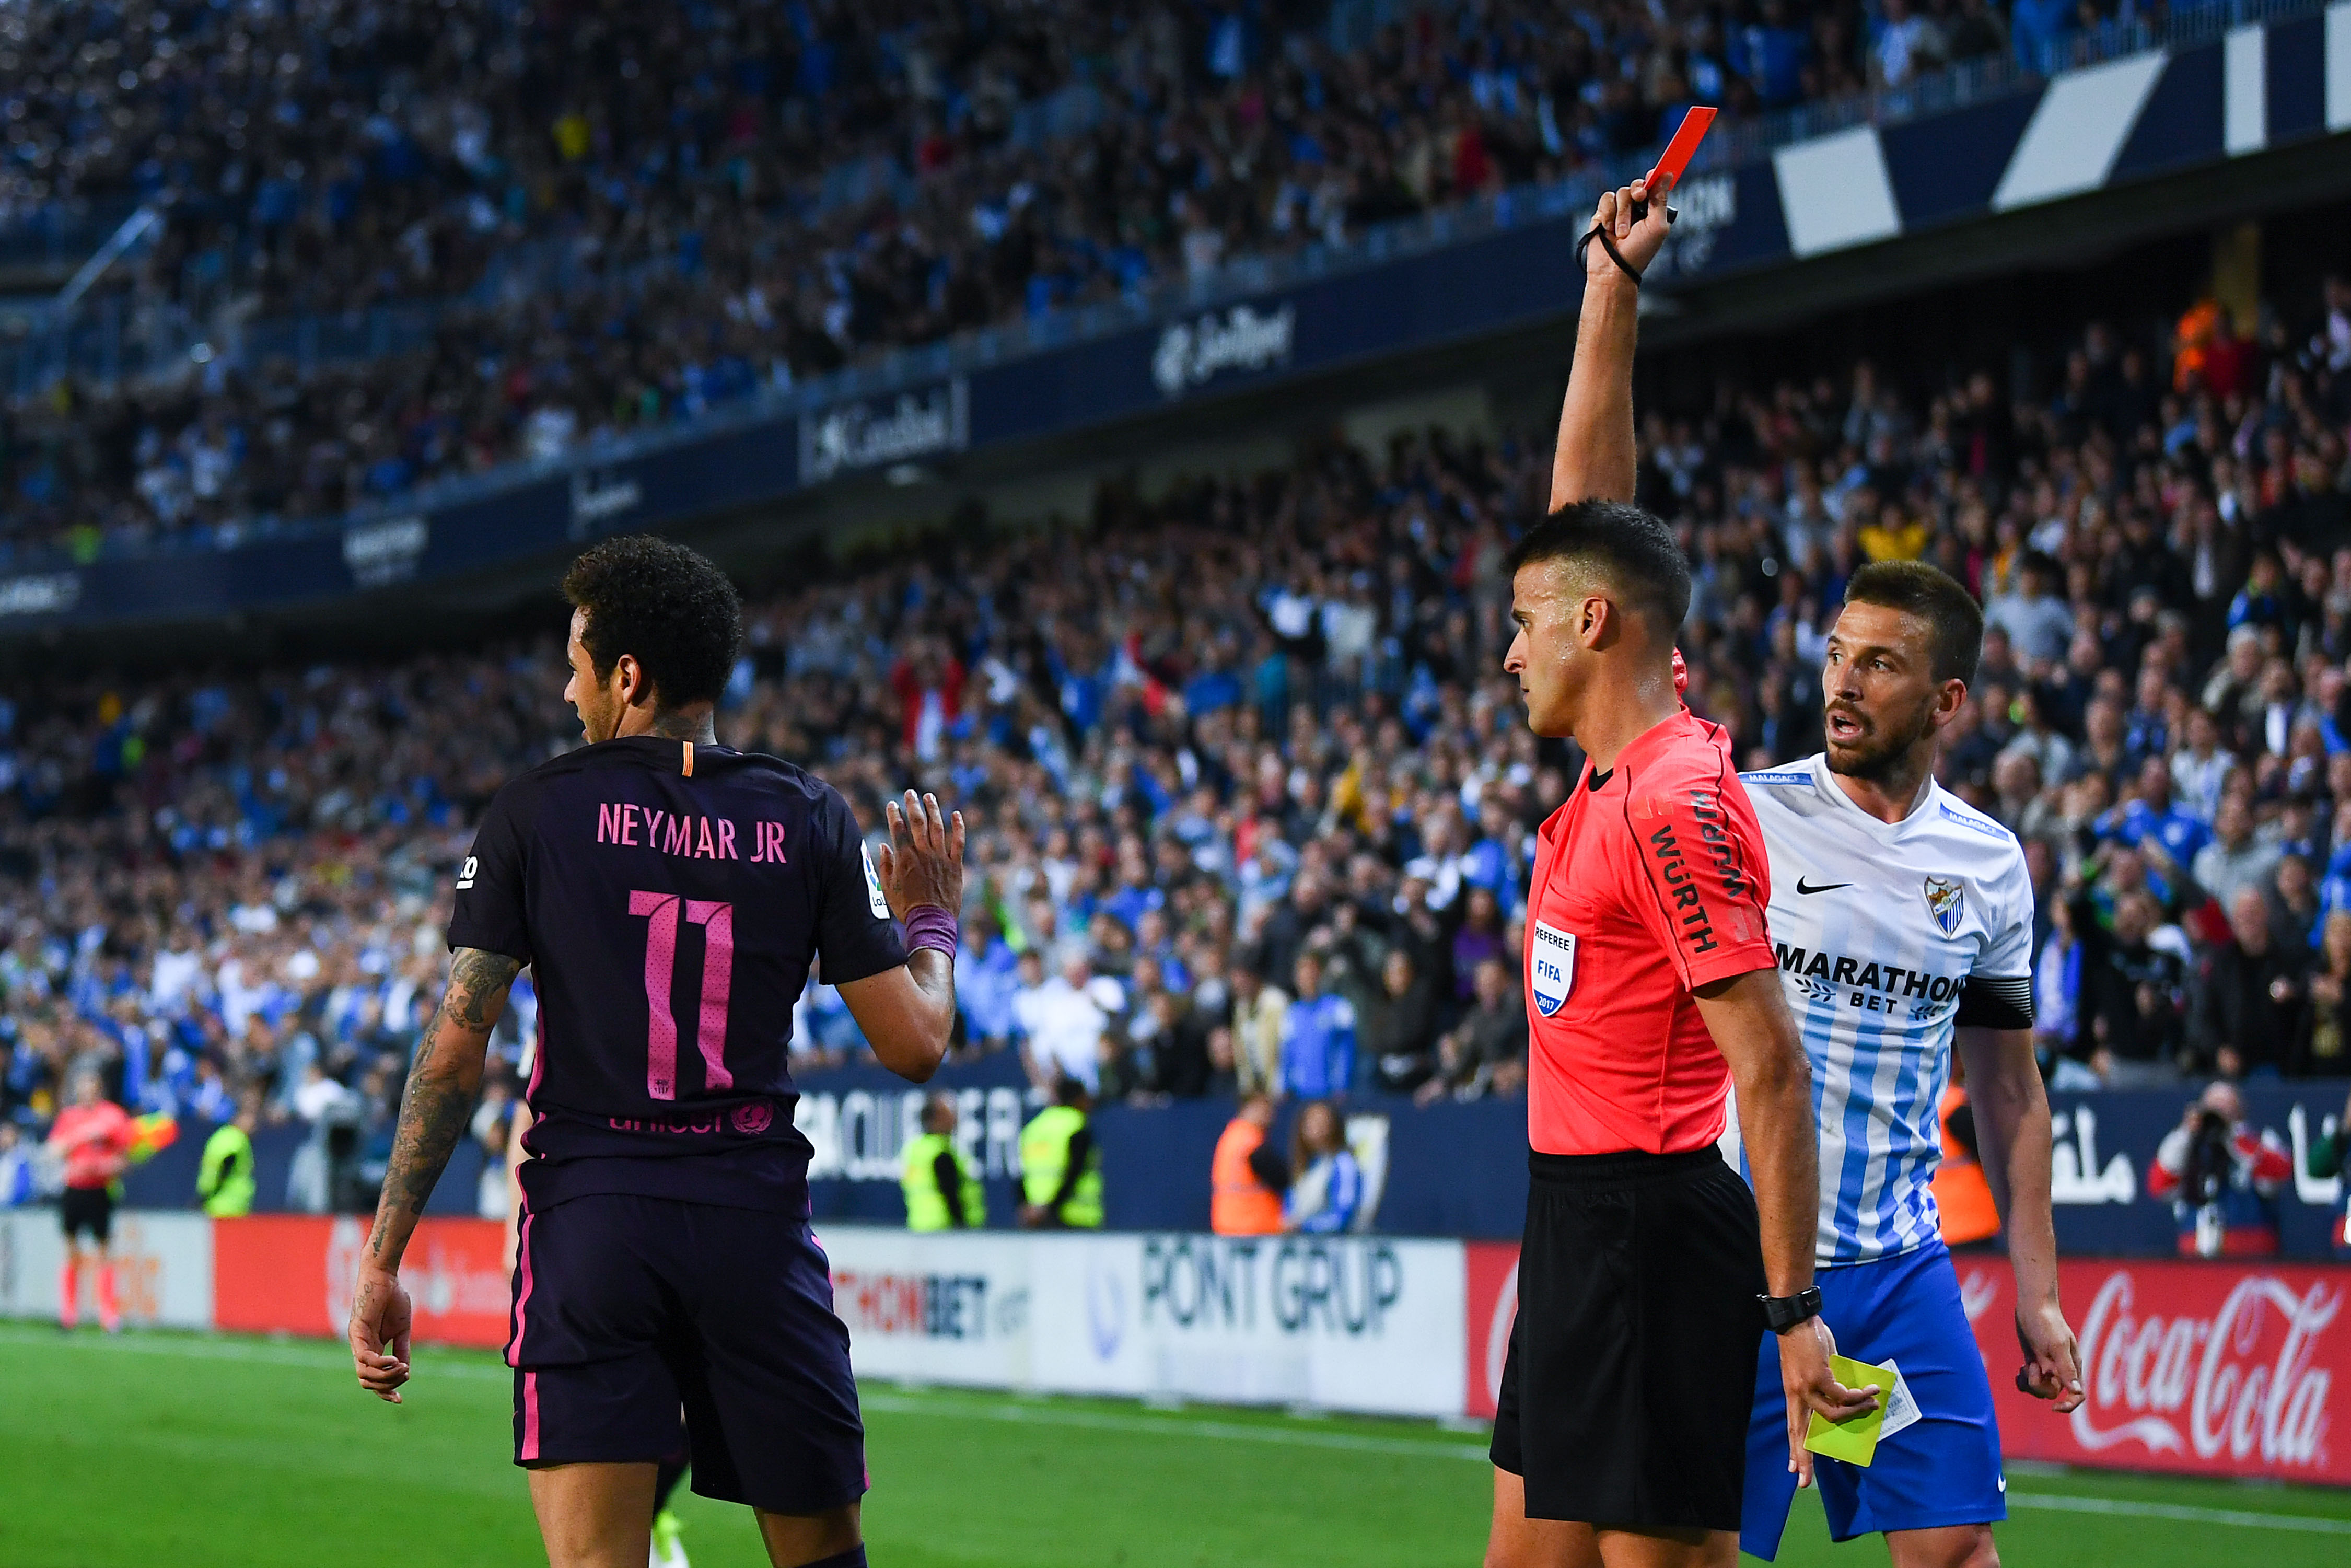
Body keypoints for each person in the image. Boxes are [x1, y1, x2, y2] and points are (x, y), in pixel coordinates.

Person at [346, 535, 967, 1568]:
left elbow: (453, 1057)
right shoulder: (809, 816)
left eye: (579, 660)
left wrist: (381, 1259)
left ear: (627, 675)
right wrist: (933, 923)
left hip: (593, 1225)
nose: (565, 685)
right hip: (753, 1230)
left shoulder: (536, 812)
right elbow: (917, 1043)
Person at [1485, 176, 1867, 1568]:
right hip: (1572, 1214)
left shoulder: (1675, 802)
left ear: (1593, 628)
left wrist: (1792, 1312)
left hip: (1649, 1228)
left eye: (1524, 627)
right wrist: (1607, 285)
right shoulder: (1614, 749)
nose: (1506, 653)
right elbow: (1586, 516)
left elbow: (1767, 1066)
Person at [1736, 560, 2082, 1564]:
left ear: (1948, 700)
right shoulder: (1748, 817)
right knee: (1681, 1552)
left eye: (1879, 664)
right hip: (1737, 1273)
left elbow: (2011, 1090)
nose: (1843, 682)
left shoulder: (1986, 865)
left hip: (1888, 1280)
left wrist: (2040, 1294)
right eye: (1838, 655)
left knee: (1952, 1549)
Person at [2146, 1080, 2292, 1256]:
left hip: (2250, 1258)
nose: (2218, 1113)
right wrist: (2187, 1132)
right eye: (2213, 1107)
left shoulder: (2261, 1141)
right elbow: (2159, 1185)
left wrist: (2234, 1136)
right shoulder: (2188, 1147)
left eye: (2226, 1106)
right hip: (2196, 1256)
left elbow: (2277, 1176)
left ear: (2240, 1110)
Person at [47, 1070, 136, 1333]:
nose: (85, 1093)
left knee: (104, 1252)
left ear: (98, 1090)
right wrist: (81, 1137)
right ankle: (68, 1315)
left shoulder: (113, 1117)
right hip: (74, 1189)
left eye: (90, 1088)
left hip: (99, 1191)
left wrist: (106, 1167)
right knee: (71, 1251)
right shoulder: (69, 1117)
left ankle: (109, 1317)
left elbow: (126, 1157)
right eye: (81, 1088)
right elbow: (53, 1151)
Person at [1018, 1075, 1102, 1229]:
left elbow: (1021, 1175)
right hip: (1075, 1216)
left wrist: (1029, 1208)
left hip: (1037, 1218)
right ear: (1078, 1099)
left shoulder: (1034, 1128)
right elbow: (1074, 1172)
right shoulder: (1077, 1126)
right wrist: (1050, 1208)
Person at [1278, 950, 1356, 1099]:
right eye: (1302, 971)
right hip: (1299, 1096)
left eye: (1311, 970)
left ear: (1320, 973)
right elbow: (1286, 1055)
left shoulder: (1339, 1007)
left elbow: (1347, 1050)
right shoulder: (1292, 1013)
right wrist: (1285, 1087)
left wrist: (1342, 1086)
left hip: (1331, 1095)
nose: (1307, 976)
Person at [902, 1092, 985, 1232]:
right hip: (945, 1229)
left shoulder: (915, 1149)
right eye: (948, 1114)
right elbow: (951, 1193)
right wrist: (962, 1226)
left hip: (919, 1225)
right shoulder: (940, 1153)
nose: (954, 1119)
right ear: (935, 1120)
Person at [1209, 1093, 1287, 1235]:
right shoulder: (1250, 1141)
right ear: (1248, 1108)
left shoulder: (1231, 1136)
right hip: (1255, 1226)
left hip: (1227, 1224)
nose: (1270, 1115)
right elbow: (1280, 1177)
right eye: (1265, 1109)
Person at [1281, 1100, 1362, 1233]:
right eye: (1310, 1122)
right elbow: (1290, 1210)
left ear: (1334, 1126)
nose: (1316, 1127)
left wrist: (1304, 1226)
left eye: (1322, 1121)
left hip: (1332, 1246)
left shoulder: (1344, 1163)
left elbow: (1342, 1218)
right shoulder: (1303, 1166)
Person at [196, 1092, 260, 1219]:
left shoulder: (221, 1136)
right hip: (228, 1205)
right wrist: (213, 1192)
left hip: (215, 1203)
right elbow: (226, 1164)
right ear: (239, 1117)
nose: (254, 1125)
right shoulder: (236, 1139)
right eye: (250, 1118)